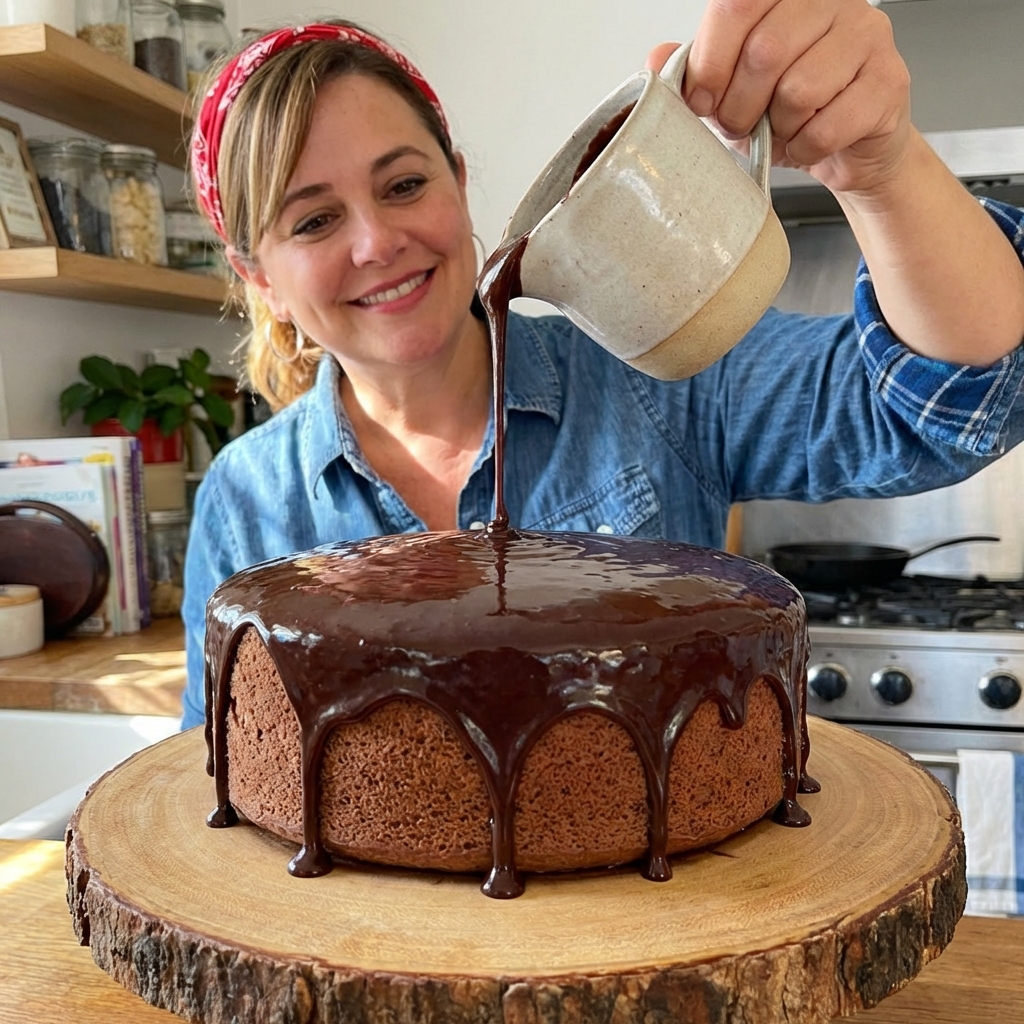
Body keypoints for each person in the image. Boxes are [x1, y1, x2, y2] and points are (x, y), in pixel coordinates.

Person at [181, 2, 1024, 730]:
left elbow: (947, 409)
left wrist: (877, 166)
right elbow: (217, 761)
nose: (377, 241)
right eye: (315, 221)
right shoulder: (247, 498)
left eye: (403, 185)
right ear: (260, 278)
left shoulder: (649, 376)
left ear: (459, 183)